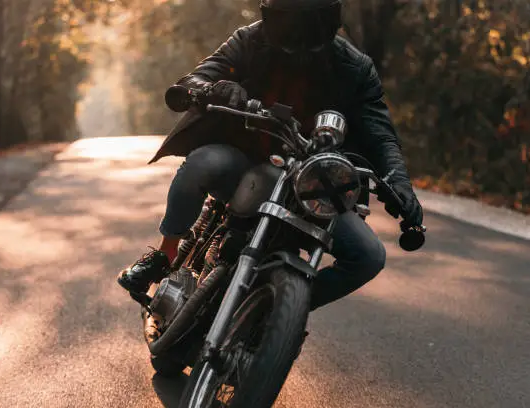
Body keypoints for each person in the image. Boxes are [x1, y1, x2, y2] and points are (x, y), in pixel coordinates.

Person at [117, 0, 423, 311]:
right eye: (291, 28)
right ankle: (164, 255)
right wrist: (215, 89)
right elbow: (197, 77)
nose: (300, 45)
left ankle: (278, 314)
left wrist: (398, 180)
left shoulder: (356, 67)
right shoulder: (247, 40)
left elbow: (381, 133)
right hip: (244, 158)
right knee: (202, 163)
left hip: (313, 183)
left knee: (368, 256)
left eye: (311, 31)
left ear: (329, 21)